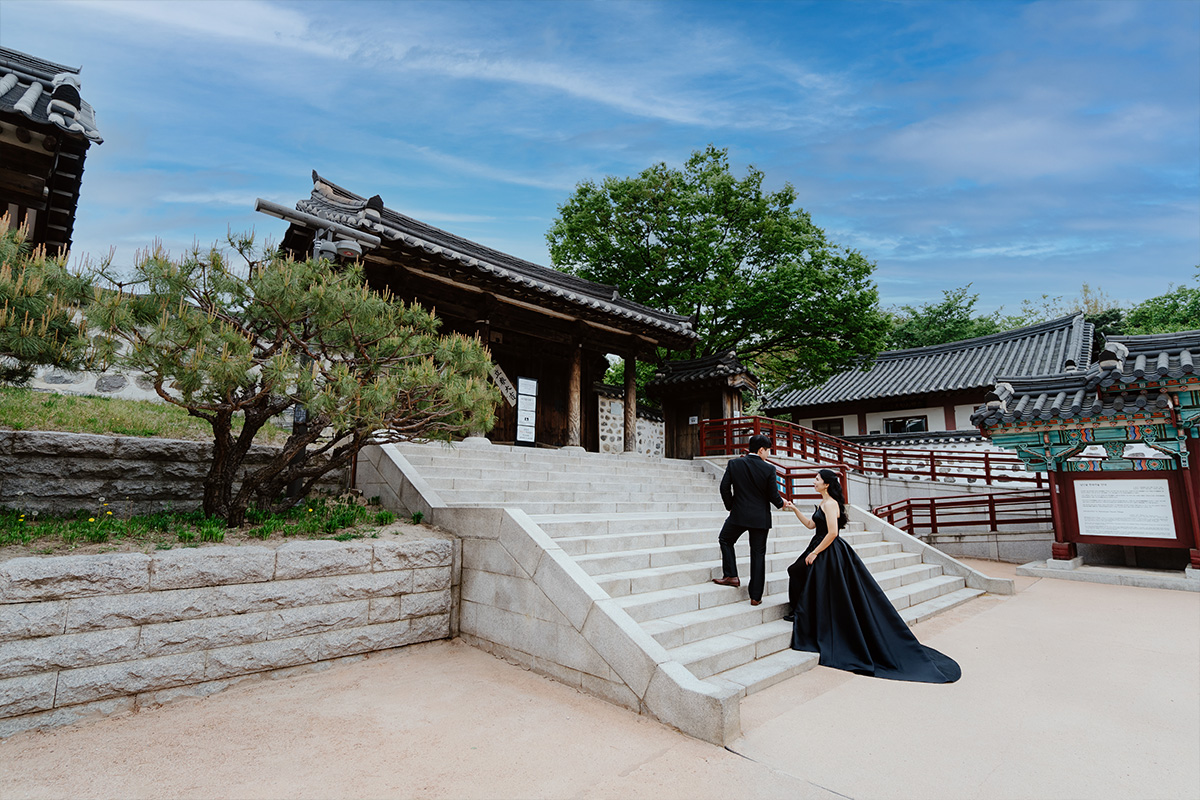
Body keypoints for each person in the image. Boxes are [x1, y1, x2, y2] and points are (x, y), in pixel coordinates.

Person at [783, 468, 961, 683]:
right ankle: (800, 611)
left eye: (817, 479)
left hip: (827, 548)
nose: (814, 481)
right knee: (799, 572)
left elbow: (833, 533)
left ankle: (801, 613)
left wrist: (815, 552)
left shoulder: (831, 504)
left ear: (826, 484)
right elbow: (812, 525)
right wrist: (794, 509)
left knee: (809, 577)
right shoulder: (823, 502)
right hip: (819, 544)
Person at [712, 433, 786, 605]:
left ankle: (731, 575)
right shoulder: (769, 469)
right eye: (768, 451)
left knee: (725, 539)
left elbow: (724, 488)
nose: (768, 454)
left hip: (738, 514)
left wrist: (731, 506)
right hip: (760, 518)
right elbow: (773, 495)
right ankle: (755, 596)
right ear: (761, 450)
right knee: (758, 554)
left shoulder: (734, 463)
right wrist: (782, 503)